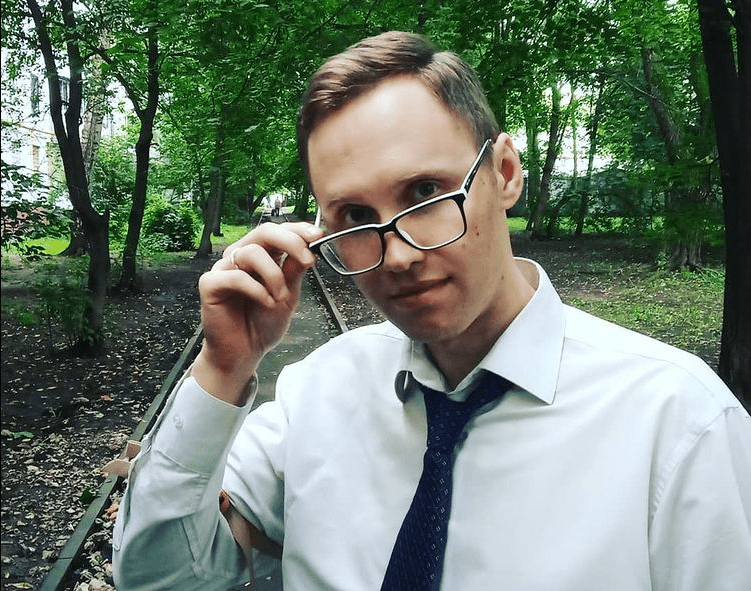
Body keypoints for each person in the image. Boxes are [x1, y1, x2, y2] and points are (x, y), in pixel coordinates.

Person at [113, 31, 751, 591]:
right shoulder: (318, 395)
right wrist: (223, 368)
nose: (398, 255)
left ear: (505, 172)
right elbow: (160, 578)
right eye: (355, 216)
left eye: (425, 191)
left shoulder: (679, 425)